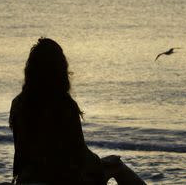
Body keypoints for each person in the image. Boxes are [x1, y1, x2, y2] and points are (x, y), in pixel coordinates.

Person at [9, 38, 146, 185]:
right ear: (60, 69)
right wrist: (103, 161)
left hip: (27, 179)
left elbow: (20, 153)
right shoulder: (63, 104)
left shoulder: (18, 103)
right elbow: (80, 153)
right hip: (61, 179)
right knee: (117, 165)